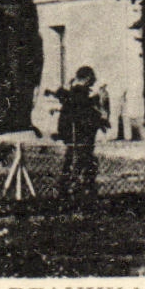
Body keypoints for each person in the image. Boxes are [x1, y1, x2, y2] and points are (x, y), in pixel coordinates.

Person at [54, 66, 107, 201]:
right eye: (92, 79)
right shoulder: (79, 92)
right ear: (88, 78)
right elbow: (84, 112)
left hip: (72, 135)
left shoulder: (70, 91)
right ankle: (80, 191)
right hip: (81, 135)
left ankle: (67, 190)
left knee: (72, 161)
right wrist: (99, 105)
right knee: (84, 163)